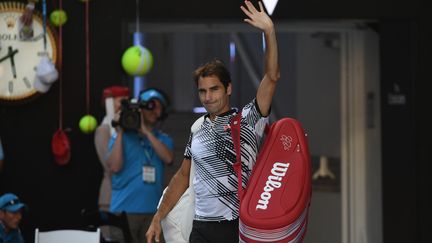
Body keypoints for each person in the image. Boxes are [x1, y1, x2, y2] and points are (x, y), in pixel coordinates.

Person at [146, 1, 279, 242]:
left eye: (214, 89)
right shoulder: (198, 128)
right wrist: (158, 217)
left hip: (236, 226)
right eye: (202, 91)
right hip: (201, 227)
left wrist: (269, 32)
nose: (208, 97)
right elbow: (182, 177)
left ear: (228, 88)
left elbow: (271, 77)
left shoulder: (248, 119)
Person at [106, 88, 174, 243]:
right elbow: (115, 167)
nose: (153, 110)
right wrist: (121, 131)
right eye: (150, 105)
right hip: (122, 211)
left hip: (153, 213)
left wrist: (146, 132)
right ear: (140, 109)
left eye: (158, 106)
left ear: (162, 112)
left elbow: (168, 158)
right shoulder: (120, 136)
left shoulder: (163, 139)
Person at [94, 85, 130, 241]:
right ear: (111, 103)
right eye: (122, 101)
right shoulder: (103, 130)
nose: (124, 106)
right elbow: (110, 166)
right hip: (110, 198)